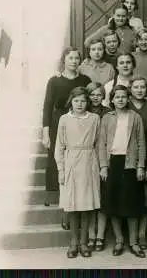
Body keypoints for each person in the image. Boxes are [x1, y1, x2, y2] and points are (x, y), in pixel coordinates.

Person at [42, 47, 91, 230]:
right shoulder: (54, 81)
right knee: (59, 163)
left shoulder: (85, 80)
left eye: (77, 58)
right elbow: (47, 106)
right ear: (64, 60)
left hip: (80, 123)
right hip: (59, 123)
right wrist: (45, 132)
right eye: (70, 58)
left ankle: (76, 205)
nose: (74, 61)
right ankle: (64, 206)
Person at [98, 85, 146, 257]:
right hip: (113, 164)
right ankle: (119, 240)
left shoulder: (135, 117)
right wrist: (103, 166)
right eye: (117, 97)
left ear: (129, 98)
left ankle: (133, 242)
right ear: (111, 99)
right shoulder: (106, 118)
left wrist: (140, 165)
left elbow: (141, 143)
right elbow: (101, 144)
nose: (120, 100)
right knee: (113, 204)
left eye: (124, 97)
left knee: (131, 204)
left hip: (130, 163)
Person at [55, 86, 101, 258]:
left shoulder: (95, 118)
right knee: (73, 206)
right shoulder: (64, 119)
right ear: (71, 102)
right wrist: (61, 169)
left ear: (87, 101)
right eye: (76, 101)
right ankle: (73, 242)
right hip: (71, 163)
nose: (80, 104)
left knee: (87, 206)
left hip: (89, 163)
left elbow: (98, 142)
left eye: (83, 100)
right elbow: (59, 146)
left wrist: (99, 165)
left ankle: (84, 242)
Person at [127, 76, 147, 251]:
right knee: (131, 197)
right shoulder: (126, 105)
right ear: (130, 89)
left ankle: (142, 234)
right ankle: (130, 235)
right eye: (136, 87)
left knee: (145, 198)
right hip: (129, 156)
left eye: (142, 87)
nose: (139, 90)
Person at [85, 82, 111, 252]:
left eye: (99, 94)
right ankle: (90, 234)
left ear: (103, 96)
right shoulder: (83, 112)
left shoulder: (109, 113)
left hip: (105, 156)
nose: (96, 97)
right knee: (89, 198)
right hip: (87, 157)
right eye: (92, 94)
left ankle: (100, 235)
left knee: (102, 198)